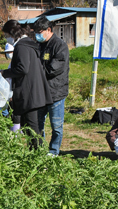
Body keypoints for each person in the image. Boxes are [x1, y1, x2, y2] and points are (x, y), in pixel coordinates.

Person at [1, 20, 53, 149]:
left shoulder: (22, 46)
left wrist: (5, 73)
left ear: (12, 33)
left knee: (32, 128)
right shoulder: (29, 44)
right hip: (33, 92)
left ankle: (37, 156)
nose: (7, 38)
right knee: (29, 127)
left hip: (29, 94)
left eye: (7, 35)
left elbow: (22, 68)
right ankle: (33, 153)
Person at [33, 16, 70, 156]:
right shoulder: (39, 45)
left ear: (48, 30)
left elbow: (52, 70)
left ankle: (53, 151)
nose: (37, 35)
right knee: (38, 123)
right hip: (41, 92)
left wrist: (36, 70)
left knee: (56, 126)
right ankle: (40, 149)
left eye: (39, 31)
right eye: (35, 32)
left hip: (56, 93)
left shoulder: (60, 46)